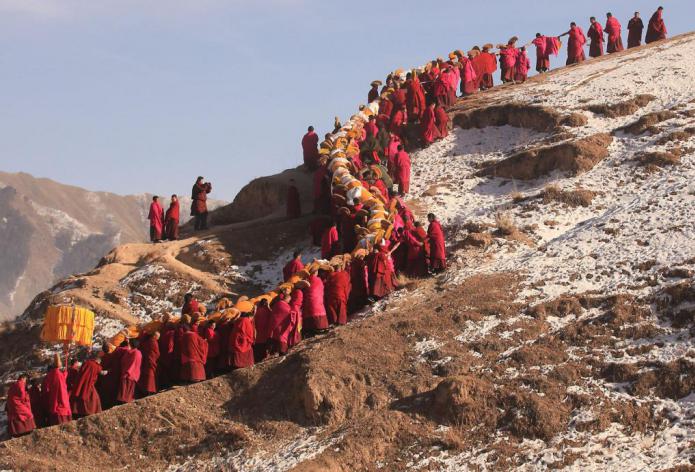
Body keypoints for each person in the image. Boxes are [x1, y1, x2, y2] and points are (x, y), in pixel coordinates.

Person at [70, 353, 102, 417]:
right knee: (94, 400)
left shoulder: (86, 363)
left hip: (80, 384)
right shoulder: (96, 366)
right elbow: (101, 372)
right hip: (89, 385)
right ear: (98, 361)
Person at [43, 354, 72, 425]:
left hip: (53, 397)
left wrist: (64, 374)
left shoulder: (50, 375)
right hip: (61, 395)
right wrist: (65, 374)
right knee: (62, 408)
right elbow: (61, 382)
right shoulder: (59, 374)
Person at [5, 373, 36, 438]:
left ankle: (18, 432)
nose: (25, 381)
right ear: (23, 378)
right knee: (28, 414)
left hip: (11, 404)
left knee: (17, 416)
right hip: (16, 403)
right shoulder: (21, 384)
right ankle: (27, 429)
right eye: (25, 379)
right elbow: (22, 396)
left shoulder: (14, 384)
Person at [302, 268, 329, 335]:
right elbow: (321, 288)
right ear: (315, 273)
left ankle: (311, 329)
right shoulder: (318, 280)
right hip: (318, 299)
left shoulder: (306, 280)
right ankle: (322, 327)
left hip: (309, 301)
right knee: (319, 311)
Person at [117, 339, 141, 404]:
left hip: (129, 373)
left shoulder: (134, 353)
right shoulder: (137, 352)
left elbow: (132, 363)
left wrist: (128, 372)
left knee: (126, 391)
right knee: (127, 390)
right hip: (131, 373)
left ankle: (125, 402)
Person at [137, 332, 160, 396]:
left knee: (146, 375)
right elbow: (157, 353)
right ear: (155, 336)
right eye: (158, 336)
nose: (158, 338)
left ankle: (145, 391)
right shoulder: (154, 342)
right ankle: (150, 390)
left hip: (146, 360)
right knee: (150, 376)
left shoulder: (147, 341)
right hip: (151, 360)